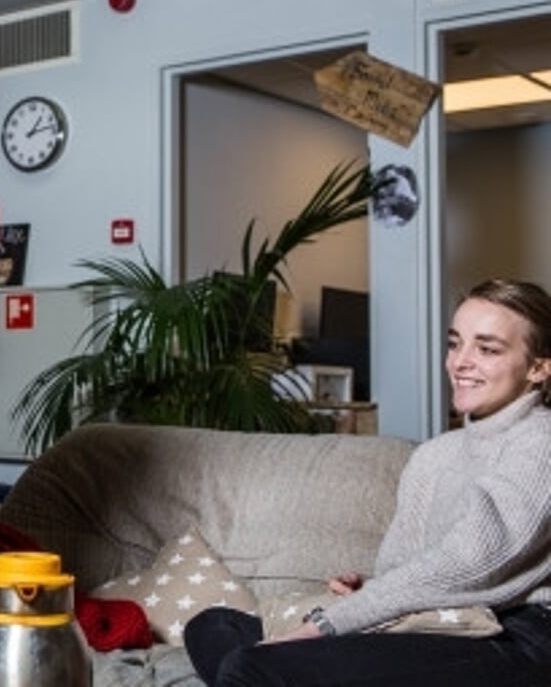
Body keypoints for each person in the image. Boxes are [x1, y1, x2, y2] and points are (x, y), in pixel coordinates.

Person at [183, 277, 551, 687]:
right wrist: (371, 590)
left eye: (487, 349)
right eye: (454, 343)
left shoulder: (542, 442)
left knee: (250, 667)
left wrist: (327, 624)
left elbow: (473, 561)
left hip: (519, 636)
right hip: (439, 623)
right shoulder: (434, 456)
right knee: (213, 626)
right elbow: (405, 570)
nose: (460, 361)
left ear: (539, 367)